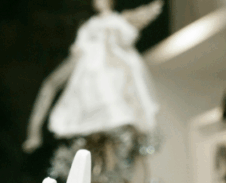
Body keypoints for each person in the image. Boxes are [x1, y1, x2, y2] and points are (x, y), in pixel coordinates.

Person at [23, 0, 163, 152]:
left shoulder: (118, 26)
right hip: (92, 109)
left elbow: (129, 71)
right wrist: (34, 131)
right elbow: (53, 82)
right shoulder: (88, 31)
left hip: (116, 106)